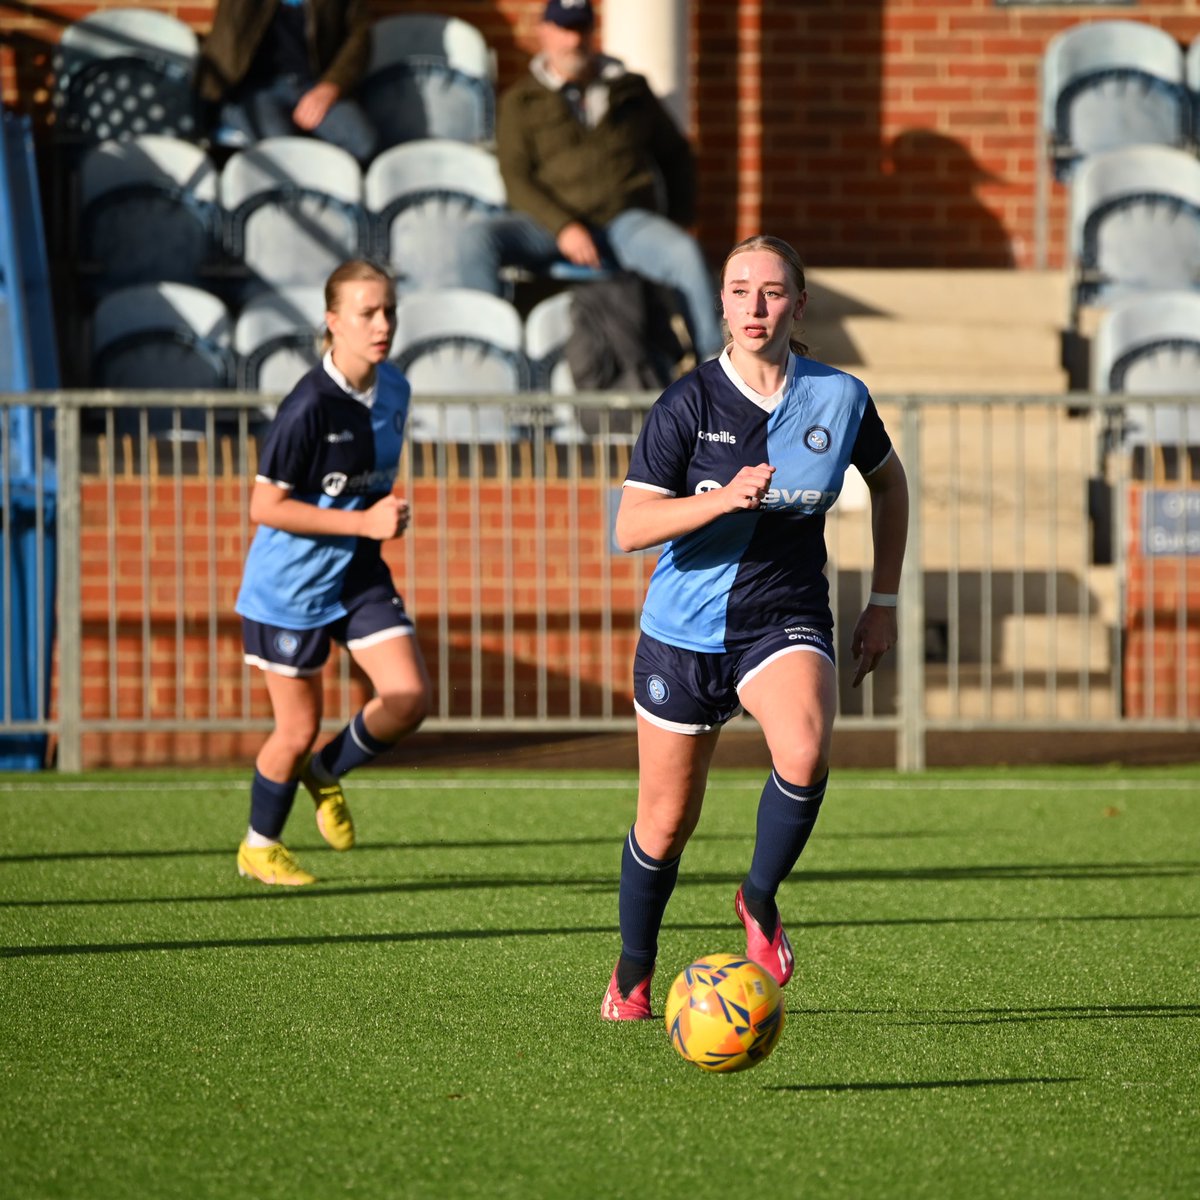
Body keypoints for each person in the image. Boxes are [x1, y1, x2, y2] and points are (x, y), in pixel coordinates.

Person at [600, 234, 910, 1019]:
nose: (755, 306)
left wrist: (885, 601)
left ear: (798, 305)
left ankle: (758, 900)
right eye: (740, 290)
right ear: (723, 304)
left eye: (772, 292)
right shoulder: (687, 402)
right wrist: (720, 498)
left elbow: (889, 484)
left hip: (786, 614)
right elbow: (630, 527)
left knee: (804, 751)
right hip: (683, 631)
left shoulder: (839, 398)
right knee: (665, 824)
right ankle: (633, 974)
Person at [234, 259, 430, 886]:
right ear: (332, 320)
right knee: (295, 727)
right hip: (288, 587)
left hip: (356, 573)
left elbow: (360, 487)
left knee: (408, 699)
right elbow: (264, 505)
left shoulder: (394, 387)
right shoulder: (308, 406)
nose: (382, 324)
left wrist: (379, 518)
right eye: (367, 312)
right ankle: (259, 846)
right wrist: (363, 523)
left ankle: (325, 772)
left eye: (389, 311)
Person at [461, 0, 724, 362]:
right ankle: (489, 358)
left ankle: (716, 368)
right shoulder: (520, 101)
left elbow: (676, 153)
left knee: (684, 254)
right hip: (547, 224)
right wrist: (563, 226)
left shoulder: (630, 89)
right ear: (544, 31)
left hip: (625, 222)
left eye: (581, 29)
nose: (574, 41)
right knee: (475, 239)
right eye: (564, 29)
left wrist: (677, 217)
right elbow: (516, 176)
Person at [196, 0, 378, 166]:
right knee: (283, 153)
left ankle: (329, 196)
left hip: (313, 82)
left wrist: (331, 86)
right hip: (254, 87)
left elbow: (359, 38)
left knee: (362, 143)